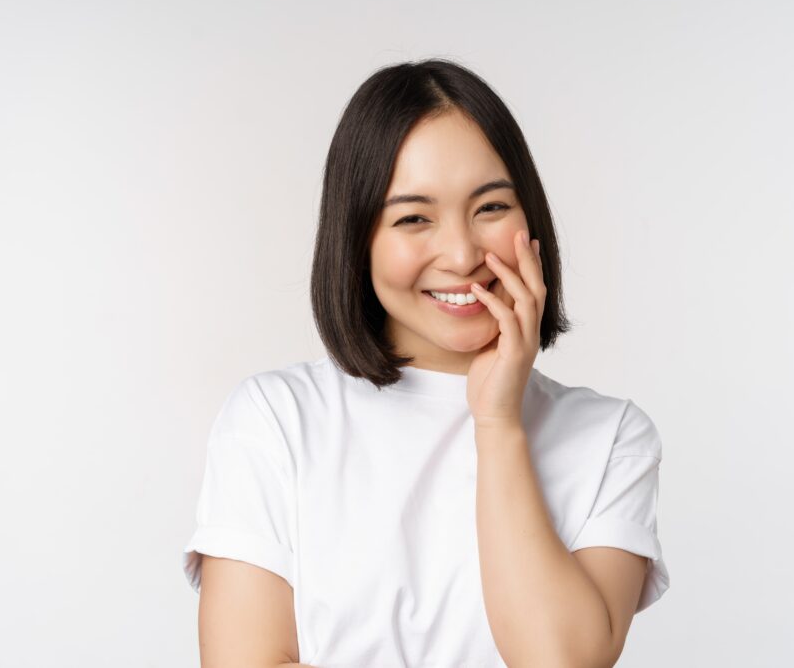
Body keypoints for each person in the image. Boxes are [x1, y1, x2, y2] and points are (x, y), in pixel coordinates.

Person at [181, 58, 670, 668]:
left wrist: (498, 425)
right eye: (414, 218)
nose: (463, 254)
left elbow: (560, 662)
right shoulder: (276, 420)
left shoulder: (611, 437)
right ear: (358, 238)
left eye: (491, 207)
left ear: (531, 219)